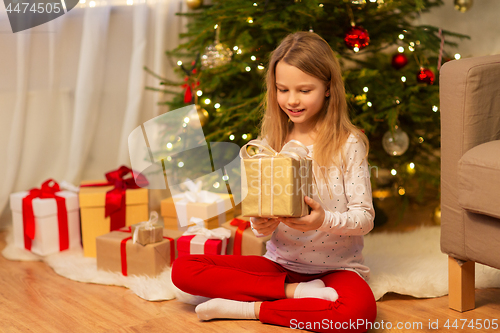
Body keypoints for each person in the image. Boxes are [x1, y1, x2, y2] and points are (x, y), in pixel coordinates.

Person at [172, 31, 376, 333]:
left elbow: (365, 219)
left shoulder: (349, 144)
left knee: (357, 315)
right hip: (280, 267)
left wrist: (323, 220)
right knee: (183, 269)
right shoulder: (268, 145)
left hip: (336, 269)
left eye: (305, 90)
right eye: (283, 89)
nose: (292, 100)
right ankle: (295, 295)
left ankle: (248, 309)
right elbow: (262, 220)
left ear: (329, 88)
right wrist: (261, 225)